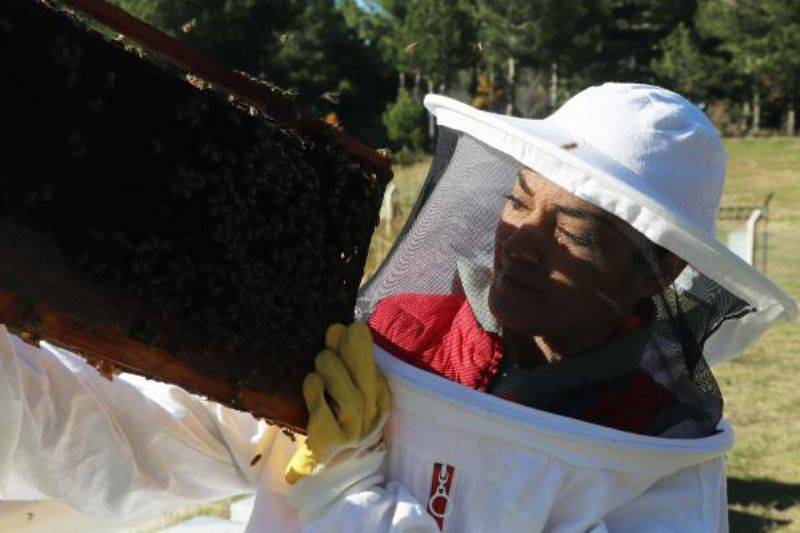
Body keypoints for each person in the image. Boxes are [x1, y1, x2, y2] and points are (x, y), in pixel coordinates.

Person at [0, 83, 796, 532]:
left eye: (576, 229)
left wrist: (341, 493)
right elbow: (131, 435)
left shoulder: (654, 473)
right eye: (520, 197)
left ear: (653, 271)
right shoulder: (393, 340)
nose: (522, 239)